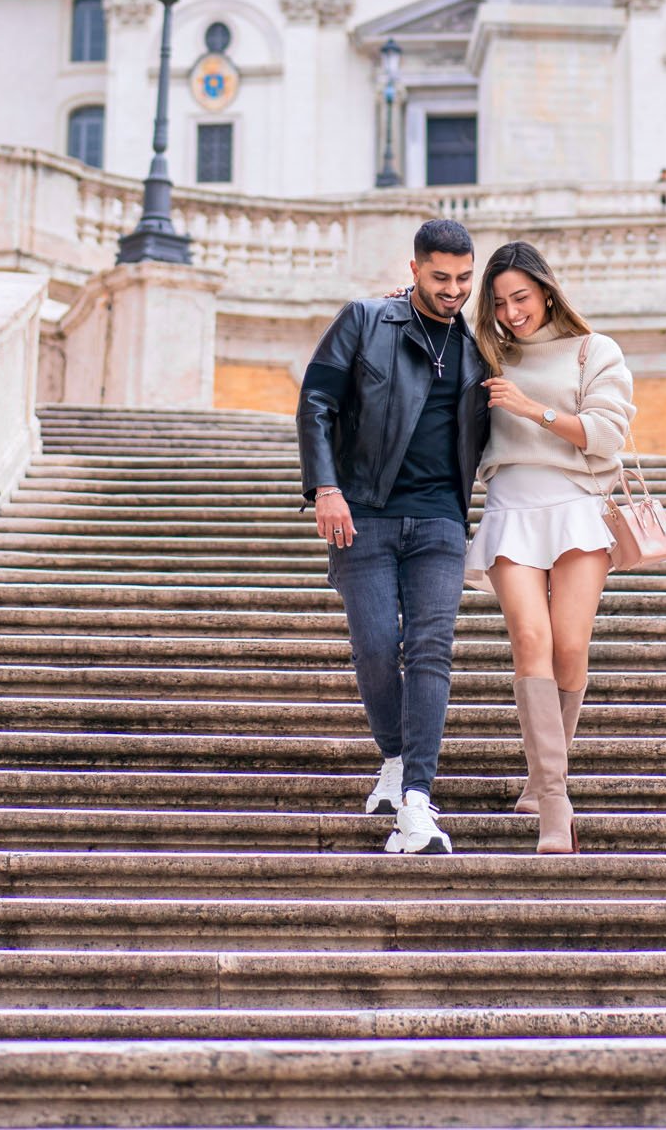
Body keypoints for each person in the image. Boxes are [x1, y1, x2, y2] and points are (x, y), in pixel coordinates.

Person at [297, 217, 488, 855]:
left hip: (440, 521)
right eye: (441, 278)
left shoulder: (479, 346)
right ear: (415, 270)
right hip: (366, 512)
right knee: (377, 647)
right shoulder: (364, 321)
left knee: (430, 649)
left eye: (464, 278)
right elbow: (316, 404)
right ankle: (394, 758)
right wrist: (326, 488)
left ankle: (416, 799)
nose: (454, 290)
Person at [464, 240, 634, 854]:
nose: (513, 313)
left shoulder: (595, 350)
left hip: (578, 505)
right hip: (512, 503)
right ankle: (555, 807)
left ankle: (542, 779)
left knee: (570, 645)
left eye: (522, 298)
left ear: (546, 290)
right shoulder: (484, 355)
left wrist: (534, 410)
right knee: (529, 641)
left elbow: (607, 435)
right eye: (501, 302)